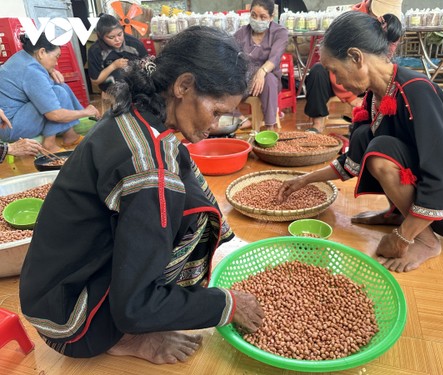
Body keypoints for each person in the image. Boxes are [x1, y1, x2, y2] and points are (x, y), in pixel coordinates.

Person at [19, 26, 263, 365]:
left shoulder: (136, 107)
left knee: (186, 199)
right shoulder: (149, 172)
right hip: (70, 321)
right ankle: (126, 337)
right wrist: (226, 303)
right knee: (170, 204)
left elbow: (182, 176)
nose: (215, 124)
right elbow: (135, 306)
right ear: (184, 86)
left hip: (45, 290)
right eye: (217, 111)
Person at [277, 12, 443, 273]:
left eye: (334, 70)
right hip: (436, 195)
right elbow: (352, 159)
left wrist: (402, 237)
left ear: (356, 57)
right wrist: (304, 179)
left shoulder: (416, 90)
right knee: (365, 137)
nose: (336, 81)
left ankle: (424, 239)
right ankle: (398, 213)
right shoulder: (374, 96)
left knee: (380, 150)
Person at [305, 0, 403, 134]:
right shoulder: (352, 21)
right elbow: (338, 63)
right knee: (318, 71)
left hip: (368, 77)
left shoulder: (391, 26)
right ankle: (317, 125)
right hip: (351, 74)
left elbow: (383, 64)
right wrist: (350, 97)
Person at [0, 33, 100, 153]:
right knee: (58, 92)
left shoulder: (23, 57)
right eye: (57, 57)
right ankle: (49, 144)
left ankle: (70, 135)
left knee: (60, 86)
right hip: (10, 128)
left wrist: (49, 71)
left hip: (12, 120)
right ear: (42, 52)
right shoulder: (32, 70)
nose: (57, 63)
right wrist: (85, 112)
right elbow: (54, 115)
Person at [234, 0, 288, 130]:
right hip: (244, 80)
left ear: (271, 17)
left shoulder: (280, 32)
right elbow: (231, 57)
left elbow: (275, 58)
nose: (257, 20)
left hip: (269, 79)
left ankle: (270, 126)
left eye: (263, 17)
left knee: (268, 79)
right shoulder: (241, 33)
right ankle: (240, 118)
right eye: (254, 15)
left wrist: (261, 72)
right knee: (218, 80)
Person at [88, 13, 148, 93]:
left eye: (120, 34)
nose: (117, 40)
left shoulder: (134, 43)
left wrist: (143, 65)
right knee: (119, 76)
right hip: (112, 85)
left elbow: (148, 63)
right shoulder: (95, 51)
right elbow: (95, 80)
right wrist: (113, 66)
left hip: (136, 82)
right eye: (111, 37)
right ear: (101, 37)